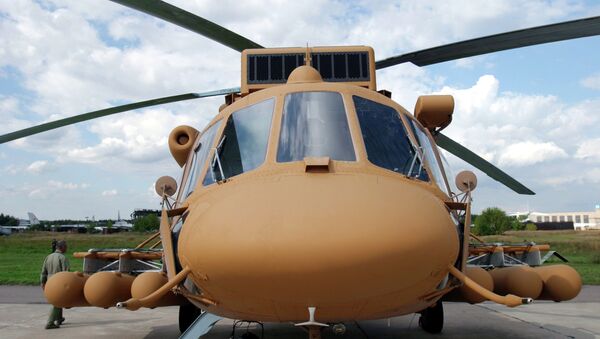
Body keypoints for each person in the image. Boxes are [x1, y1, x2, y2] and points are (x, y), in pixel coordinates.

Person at [40, 240, 70, 329]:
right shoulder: (63, 258)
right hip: (59, 283)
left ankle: (59, 318)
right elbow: (66, 273)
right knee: (57, 302)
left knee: (58, 300)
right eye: (66, 246)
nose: (67, 248)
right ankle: (50, 322)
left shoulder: (48, 257)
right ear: (62, 247)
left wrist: (42, 282)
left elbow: (43, 272)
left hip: (49, 283)